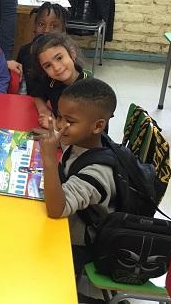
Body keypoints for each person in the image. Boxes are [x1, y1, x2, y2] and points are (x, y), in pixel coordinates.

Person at [35, 78, 117, 285]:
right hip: (69, 225)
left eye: (69, 121)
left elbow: (56, 209)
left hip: (82, 246)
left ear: (98, 126)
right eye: (59, 116)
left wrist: (48, 160)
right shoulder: (82, 142)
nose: (61, 125)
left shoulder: (98, 173)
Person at [29, 33, 91, 128]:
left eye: (59, 58)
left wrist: (55, 126)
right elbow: (38, 96)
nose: (57, 68)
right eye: (48, 66)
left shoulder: (89, 88)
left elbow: (86, 130)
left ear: (72, 54)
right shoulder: (50, 81)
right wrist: (44, 111)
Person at [16, 2, 68, 94]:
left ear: (63, 30)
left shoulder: (67, 54)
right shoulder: (25, 51)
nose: (46, 30)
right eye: (41, 24)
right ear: (34, 26)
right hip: (30, 101)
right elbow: (21, 83)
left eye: (54, 26)